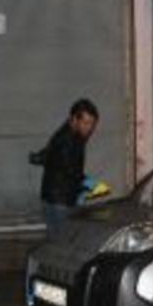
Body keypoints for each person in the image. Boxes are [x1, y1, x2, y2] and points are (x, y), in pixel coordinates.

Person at [33, 99, 99, 237]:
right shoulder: (69, 140)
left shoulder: (68, 134)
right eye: (86, 123)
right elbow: (71, 171)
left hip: (53, 198)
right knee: (64, 244)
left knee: (56, 243)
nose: (90, 128)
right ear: (74, 119)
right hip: (61, 202)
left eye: (92, 124)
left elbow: (48, 157)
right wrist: (87, 186)